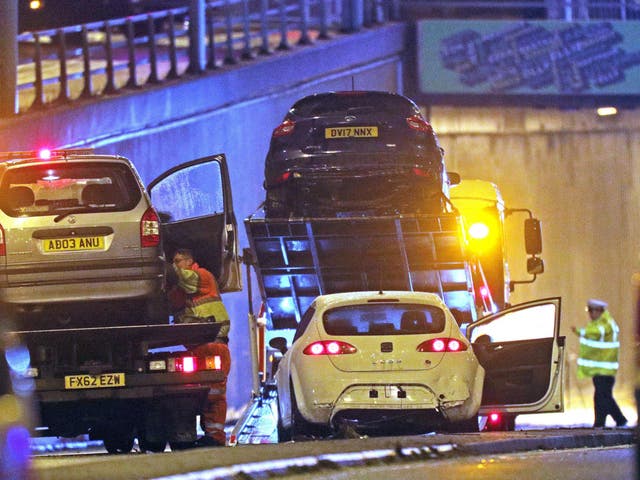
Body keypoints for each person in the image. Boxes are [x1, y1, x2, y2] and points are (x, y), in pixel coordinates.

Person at [169, 248, 231, 447]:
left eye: (178, 260)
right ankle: (208, 435)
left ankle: (215, 436)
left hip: (214, 344)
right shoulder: (182, 290)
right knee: (201, 393)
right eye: (174, 261)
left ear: (189, 261)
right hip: (198, 346)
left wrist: (160, 264)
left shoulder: (202, 276)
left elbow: (182, 276)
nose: (177, 264)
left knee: (214, 394)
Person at [571, 298, 627, 429]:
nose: (590, 314)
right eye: (589, 311)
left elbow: (597, 333)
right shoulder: (597, 323)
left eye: (592, 311)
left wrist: (579, 331)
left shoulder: (606, 324)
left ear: (599, 311)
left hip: (606, 370)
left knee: (603, 396)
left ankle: (618, 420)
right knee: (601, 396)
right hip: (599, 369)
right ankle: (602, 422)